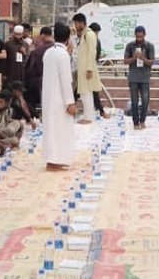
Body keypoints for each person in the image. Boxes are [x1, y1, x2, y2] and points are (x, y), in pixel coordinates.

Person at [41, 22, 78, 169]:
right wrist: (70, 102)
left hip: (48, 96)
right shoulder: (63, 55)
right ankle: (55, 161)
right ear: (68, 38)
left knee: (51, 129)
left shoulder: (48, 52)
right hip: (59, 99)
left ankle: (53, 160)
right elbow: (66, 80)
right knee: (60, 129)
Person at [71, 13, 102, 123]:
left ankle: (88, 118)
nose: (75, 26)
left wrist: (89, 69)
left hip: (86, 70)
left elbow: (92, 53)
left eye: (76, 23)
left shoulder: (89, 35)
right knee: (85, 93)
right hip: (83, 69)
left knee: (87, 93)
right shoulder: (83, 35)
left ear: (81, 23)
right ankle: (88, 116)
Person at [123, 25, 156, 129]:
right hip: (133, 77)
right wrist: (134, 57)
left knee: (145, 100)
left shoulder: (149, 46)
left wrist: (143, 58)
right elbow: (125, 61)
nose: (139, 39)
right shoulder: (130, 46)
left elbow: (151, 62)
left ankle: (143, 121)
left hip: (145, 77)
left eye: (141, 37)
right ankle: (135, 122)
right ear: (135, 35)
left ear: (145, 35)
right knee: (134, 101)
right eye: (137, 37)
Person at [23, 23, 54, 114]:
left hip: (40, 80)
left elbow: (31, 68)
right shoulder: (57, 48)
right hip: (55, 80)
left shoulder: (38, 51)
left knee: (44, 102)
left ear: (43, 35)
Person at [2, 22, 31, 94]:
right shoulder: (8, 44)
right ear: (14, 33)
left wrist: (25, 53)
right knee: (9, 90)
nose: (18, 36)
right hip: (10, 71)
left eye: (20, 34)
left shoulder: (25, 44)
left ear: (22, 34)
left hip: (21, 72)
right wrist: (4, 73)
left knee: (20, 90)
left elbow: (28, 59)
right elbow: (4, 60)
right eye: (16, 34)